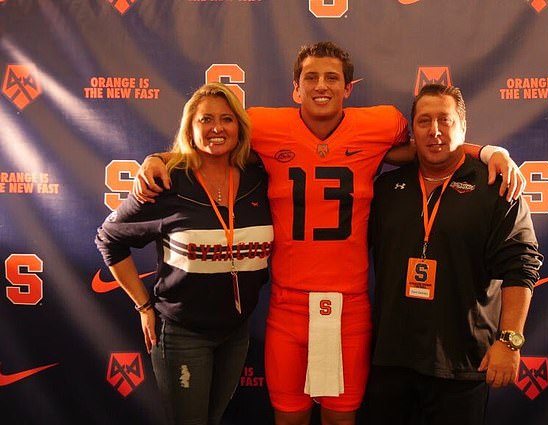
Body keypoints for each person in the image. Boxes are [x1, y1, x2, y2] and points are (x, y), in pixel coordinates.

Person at [132, 42, 525, 425]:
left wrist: (487, 152)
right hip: (288, 304)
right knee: (290, 415)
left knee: (342, 416)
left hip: (349, 305)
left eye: (332, 78)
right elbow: (214, 144)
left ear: (348, 88)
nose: (322, 85)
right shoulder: (264, 124)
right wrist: (160, 158)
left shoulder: (379, 125)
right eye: (312, 77)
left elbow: (430, 145)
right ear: (296, 88)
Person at [95, 82, 274, 425]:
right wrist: (143, 305)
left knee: (214, 418)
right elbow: (109, 238)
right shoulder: (166, 182)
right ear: (190, 130)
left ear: (240, 127)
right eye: (206, 119)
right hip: (183, 333)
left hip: (236, 332)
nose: (217, 128)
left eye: (227, 119)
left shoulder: (258, 179)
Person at [363, 83, 543, 425]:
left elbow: (521, 266)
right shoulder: (386, 189)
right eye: (424, 122)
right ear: (412, 133)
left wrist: (510, 341)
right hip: (390, 362)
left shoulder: (497, 187)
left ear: (462, 128)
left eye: (444, 121)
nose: (434, 131)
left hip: (462, 363)